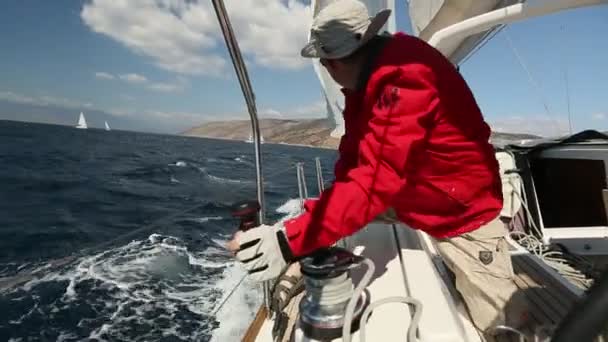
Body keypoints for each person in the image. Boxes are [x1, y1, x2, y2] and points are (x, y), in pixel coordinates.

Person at [227, 0, 526, 339]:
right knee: (334, 213)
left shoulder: (406, 77)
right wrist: (303, 232)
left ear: (332, 61)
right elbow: (355, 161)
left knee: (504, 326)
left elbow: (371, 184)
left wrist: (285, 243)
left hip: (460, 213)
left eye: (324, 61)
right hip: (410, 195)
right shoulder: (366, 81)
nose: (325, 67)